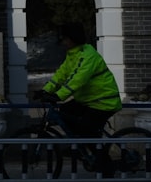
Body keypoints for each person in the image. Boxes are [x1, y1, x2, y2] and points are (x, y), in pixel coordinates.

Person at [35, 22, 122, 173]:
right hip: (88, 100)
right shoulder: (72, 54)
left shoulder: (87, 55)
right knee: (64, 113)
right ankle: (79, 146)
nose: (61, 42)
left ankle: (106, 167)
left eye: (64, 39)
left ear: (72, 39)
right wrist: (45, 90)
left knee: (88, 132)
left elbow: (78, 79)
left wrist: (58, 95)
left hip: (103, 101)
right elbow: (61, 75)